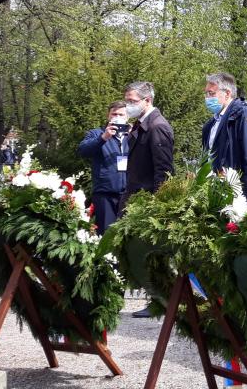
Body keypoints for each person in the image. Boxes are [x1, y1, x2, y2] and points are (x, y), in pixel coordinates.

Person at [122, 81, 175, 318]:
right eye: (128, 101)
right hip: (135, 196)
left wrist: (156, 204)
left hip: (148, 200)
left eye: (133, 101)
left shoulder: (157, 127)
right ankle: (156, 299)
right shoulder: (141, 125)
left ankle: (161, 300)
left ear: (147, 100)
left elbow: (163, 170)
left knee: (150, 253)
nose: (129, 105)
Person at [201, 72, 247, 201]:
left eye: (211, 93)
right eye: (206, 93)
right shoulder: (211, 124)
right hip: (215, 194)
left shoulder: (243, 114)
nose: (207, 98)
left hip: (236, 195)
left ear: (227, 93)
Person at [78, 101, 130, 235]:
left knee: (126, 235)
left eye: (121, 114)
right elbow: (83, 151)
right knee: (106, 235)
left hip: (128, 195)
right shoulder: (97, 133)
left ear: (127, 117)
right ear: (108, 116)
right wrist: (104, 138)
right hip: (105, 193)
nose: (117, 117)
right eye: (114, 114)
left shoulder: (132, 136)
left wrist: (133, 133)